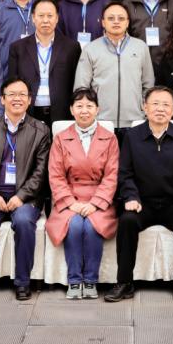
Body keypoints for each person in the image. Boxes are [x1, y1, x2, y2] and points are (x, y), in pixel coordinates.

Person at [105, 87, 173, 303]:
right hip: (142, 203)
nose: (160, 109)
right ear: (145, 107)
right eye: (155, 104)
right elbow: (125, 173)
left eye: (166, 105)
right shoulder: (132, 137)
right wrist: (130, 197)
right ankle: (124, 282)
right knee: (127, 221)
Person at [0, 78, 51, 300]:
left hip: (26, 197)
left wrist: (21, 196)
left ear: (30, 100)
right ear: (2, 99)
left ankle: (23, 282)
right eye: (12, 94)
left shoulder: (41, 130)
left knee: (24, 223)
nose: (17, 99)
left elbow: (41, 171)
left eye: (22, 94)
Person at [46, 88, 119, 300]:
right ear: (71, 109)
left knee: (92, 226)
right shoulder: (61, 138)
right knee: (75, 224)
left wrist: (95, 203)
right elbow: (56, 175)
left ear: (97, 109)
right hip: (70, 198)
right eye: (79, 106)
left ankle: (90, 280)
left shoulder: (110, 139)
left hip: (99, 199)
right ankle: (74, 280)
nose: (84, 110)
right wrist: (71, 203)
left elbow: (112, 175)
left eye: (89, 106)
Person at [74, 2, 155, 133]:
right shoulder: (91, 49)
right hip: (101, 121)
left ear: (127, 22)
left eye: (121, 18)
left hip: (135, 121)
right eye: (111, 18)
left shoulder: (141, 47)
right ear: (103, 22)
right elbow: (81, 88)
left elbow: (148, 85)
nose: (116, 22)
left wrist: (143, 109)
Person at [7, 0, 82, 121]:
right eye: (41, 16)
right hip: (28, 112)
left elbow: (76, 83)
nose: (45, 20)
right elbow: (12, 83)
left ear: (57, 18)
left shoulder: (71, 47)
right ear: (33, 18)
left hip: (61, 113)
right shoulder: (18, 48)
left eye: (50, 16)